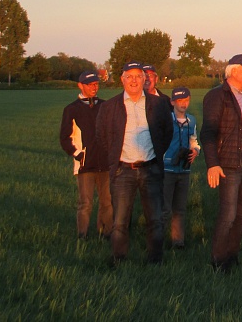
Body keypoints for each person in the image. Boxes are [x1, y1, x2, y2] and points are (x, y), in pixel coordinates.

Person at [95, 62, 173, 264]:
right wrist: (116, 158)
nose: (134, 80)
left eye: (138, 76)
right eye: (129, 76)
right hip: (123, 171)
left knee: (155, 219)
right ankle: (119, 259)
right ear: (122, 79)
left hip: (151, 169)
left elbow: (167, 132)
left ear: (144, 79)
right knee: (120, 221)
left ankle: (155, 260)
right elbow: (102, 136)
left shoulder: (158, 104)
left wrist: (156, 155)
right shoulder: (109, 107)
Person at [201, 54, 242, 272]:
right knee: (228, 214)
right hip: (228, 163)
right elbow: (208, 132)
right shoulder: (218, 96)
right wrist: (212, 164)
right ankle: (218, 261)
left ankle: (232, 257)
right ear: (233, 71)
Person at [58, 70, 112, 240]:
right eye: (90, 85)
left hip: (105, 163)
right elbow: (64, 138)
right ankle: (82, 235)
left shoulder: (105, 106)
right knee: (85, 203)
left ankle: (106, 233)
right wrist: (77, 154)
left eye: (96, 84)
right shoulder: (71, 109)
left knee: (107, 202)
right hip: (85, 165)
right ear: (80, 86)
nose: (94, 87)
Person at [162, 86, 200, 249]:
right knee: (164, 208)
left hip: (184, 169)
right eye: (179, 101)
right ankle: (158, 240)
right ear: (172, 102)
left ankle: (178, 241)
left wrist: (195, 150)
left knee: (180, 208)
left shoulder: (191, 121)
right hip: (167, 169)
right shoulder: (166, 120)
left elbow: (194, 140)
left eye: (186, 100)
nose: (183, 104)